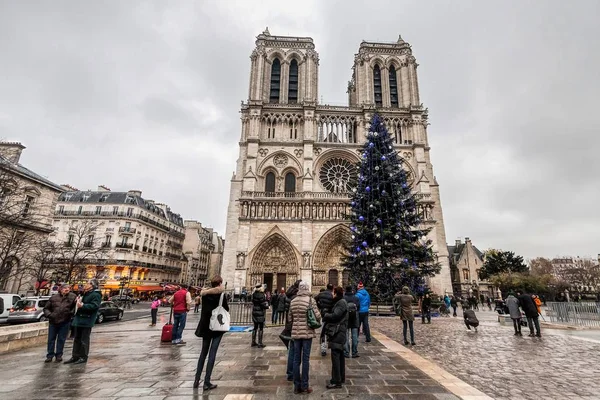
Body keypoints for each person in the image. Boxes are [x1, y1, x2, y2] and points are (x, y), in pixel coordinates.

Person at [193, 275, 229, 391]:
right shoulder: (221, 295)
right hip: (216, 327)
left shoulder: (205, 295)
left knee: (203, 353)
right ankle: (207, 382)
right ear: (220, 283)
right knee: (212, 353)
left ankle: (196, 380)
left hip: (205, 327)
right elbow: (226, 309)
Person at [290, 280, 321, 394]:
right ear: (307, 288)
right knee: (305, 359)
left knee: (296, 359)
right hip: (307, 333)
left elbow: (289, 319)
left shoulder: (293, 301)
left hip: (296, 333)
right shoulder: (310, 301)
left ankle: (296, 386)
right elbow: (317, 315)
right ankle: (305, 385)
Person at [64, 279, 102, 364]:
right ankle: (75, 356)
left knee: (84, 339)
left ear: (92, 285)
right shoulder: (85, 293)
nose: (85, 285)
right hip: (79, 319)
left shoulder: (95, 295)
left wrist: (83, 305)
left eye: (87, 283)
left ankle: (83, 356)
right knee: (77, 339)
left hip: (87, 319)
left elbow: (95, 306)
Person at [43, 284, 77, 362]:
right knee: (51, 339)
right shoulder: (54, 298)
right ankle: (50, 355)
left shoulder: (72, 297)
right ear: (61, 289)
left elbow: (75, 308)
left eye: (68, 288)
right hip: (53, 321)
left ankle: (59, 355)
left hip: (65, 321)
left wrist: (70, 314)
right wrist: (50, 315)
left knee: (61, 339)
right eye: (65, 288)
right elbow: (46, 308)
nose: (67, 289)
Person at [323, 286, 348, 389]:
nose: (332, 294)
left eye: (333, 293)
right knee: (339, 355)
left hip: (338, 332)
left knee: (336, 357)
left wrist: (326, 315)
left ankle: (336, 381)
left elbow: (336, 315)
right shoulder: (340, 302)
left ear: (336, 293)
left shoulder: (341, 302)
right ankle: (340, 378)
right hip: (339, 332)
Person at [283, 280, 300, 381]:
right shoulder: (296, 298)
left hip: (290, 326)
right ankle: (294, 373)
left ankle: (290, 373)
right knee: (296, 351)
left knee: (292, 350)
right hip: (296, 326)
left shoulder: (288, 296)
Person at [315, 284, 334, 356]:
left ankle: (323, 349)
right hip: (331, 315)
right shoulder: (332, 295)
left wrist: (319, 306)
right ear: (332, 289)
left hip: (323, 315)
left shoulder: (321, 294)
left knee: (323, 332)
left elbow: (314, 300)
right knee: (331, 331)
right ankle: (331, 346)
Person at [343, 285, 360, 358]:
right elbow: (358, 307)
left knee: (346, 336)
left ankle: (346, 352)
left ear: (345, 290)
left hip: (345, 318)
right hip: (354, 318)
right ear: (351, 290)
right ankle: (354, 352)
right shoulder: (356, 298)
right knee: (354, 336)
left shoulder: (343, 298)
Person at [251, 283, 268, 348]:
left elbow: (253, 301)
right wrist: (267, 306)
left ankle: (253, 342)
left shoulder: (253, 294)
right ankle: (260, 343)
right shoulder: (261, 295)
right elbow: (262, 304)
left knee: (255, 327)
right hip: (260, 312)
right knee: (260, 327)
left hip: (254, 311)